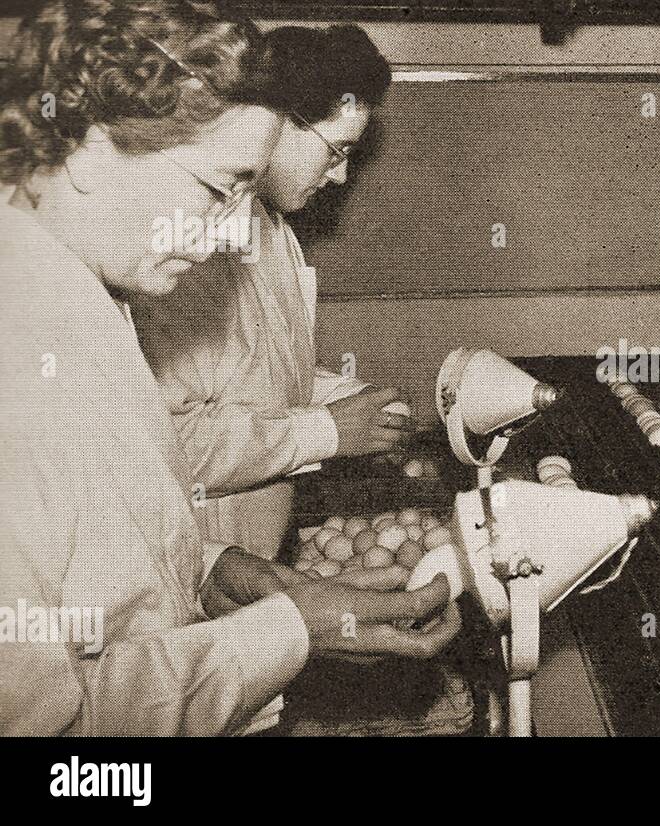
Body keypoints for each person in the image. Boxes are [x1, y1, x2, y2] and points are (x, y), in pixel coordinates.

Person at [0, 0, 458, 736]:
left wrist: (211, 570)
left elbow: (97, 556)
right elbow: (51, 739)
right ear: (88, 151)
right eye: (217, 189)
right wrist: (286, 633)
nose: (225, 234)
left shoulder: (90, 299)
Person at [133, 24, 411, 560]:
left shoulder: (274, 231)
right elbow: (166, 442)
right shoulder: (192, 253)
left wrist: (354, 404)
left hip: (256, 548)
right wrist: (326, 433)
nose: (339, 176)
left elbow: (261, 378)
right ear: (278, 124)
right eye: (336, 152)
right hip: (196, 555)